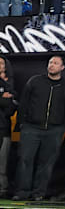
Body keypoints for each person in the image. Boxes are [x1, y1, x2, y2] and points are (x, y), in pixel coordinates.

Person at [14, 55, 65, 201]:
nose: (51, 65)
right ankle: (22, 192)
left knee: (46, 164)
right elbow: (24, 103)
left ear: (62, 67)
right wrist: (22, 123)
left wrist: (64, 128)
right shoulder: (35, 81)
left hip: (54, 130)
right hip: (31, 128)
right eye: (50, 62)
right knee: (25, 160)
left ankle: (38, 193)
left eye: (55, 63)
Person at [0, 57, 16, 198]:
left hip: (3, 128)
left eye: (1, 63)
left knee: (2, 161)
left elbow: (11, 107)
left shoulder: (10, 85)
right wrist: (2, 98)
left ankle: (3, 189)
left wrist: (6, 101)